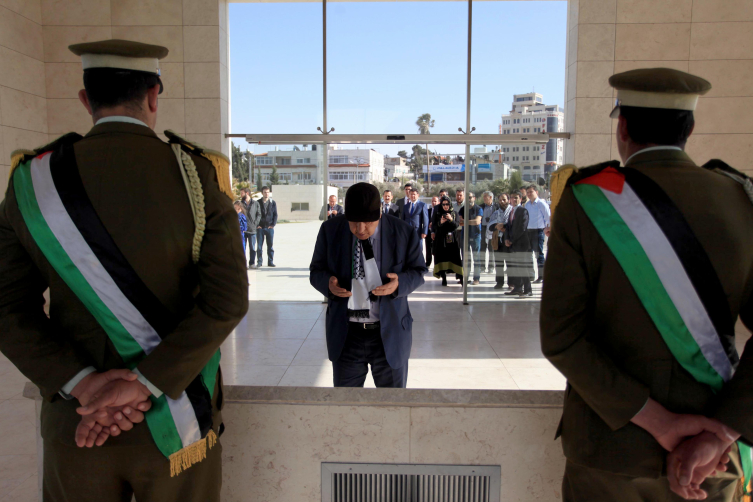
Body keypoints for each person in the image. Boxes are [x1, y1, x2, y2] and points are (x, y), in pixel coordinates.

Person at [0, 39, 248, 502]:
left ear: (84, 99)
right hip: (177, 424)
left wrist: (84, 384)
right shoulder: (198, 176)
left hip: (77, 422)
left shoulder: (31, 180)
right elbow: (227, 301)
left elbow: (6, 307)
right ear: (154, 95)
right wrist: (146, 384)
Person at [541, 68, 753, 502]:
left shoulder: (588, 200)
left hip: (609, 454)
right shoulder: (741, 200)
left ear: (622, 127)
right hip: (712, 458)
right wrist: (721, 433)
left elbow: (562, 338)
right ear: (689, 128)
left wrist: (663, 424)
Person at [309, 183, 427, 388]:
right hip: (347, 335)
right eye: (353, 222)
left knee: (392, 406)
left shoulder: (403, 232)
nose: (360, 229)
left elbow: (418, 271)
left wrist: (399, 284)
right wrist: (328, 284)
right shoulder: (330, 230)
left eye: (368, 223)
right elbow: (316, 271)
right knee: (348, 407)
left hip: (389, 334)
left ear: (380, 213)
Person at [503, 193, 532, 297]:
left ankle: (528, 290)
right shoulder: (511, 211)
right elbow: (508, 226)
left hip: (521, 244)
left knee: (523, 267)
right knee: (515, 267)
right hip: (512, 244)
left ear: (521, 199)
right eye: (511, 197)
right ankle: (517, 288)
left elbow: (522, 228)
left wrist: (512, 240)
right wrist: (506, 238)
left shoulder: (523, 211)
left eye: (516, 197)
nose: (513, 199)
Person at [430, 196, 462, 287]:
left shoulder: (454, 213)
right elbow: (434, 226)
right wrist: (440, 222)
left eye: (447, 204)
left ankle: (460, 277)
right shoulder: (437, 213)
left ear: (450, 204)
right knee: (441, 257)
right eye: (443, 204)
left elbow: (456, 225)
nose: (445, 206)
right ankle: (444, 278)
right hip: (440, 240)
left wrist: (451, 219)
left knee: (455, 258)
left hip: (452, 240)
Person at [524, 185, 550, 283]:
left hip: (538, 231)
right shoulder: (527, 205)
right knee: (528, 254)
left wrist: (547, 229)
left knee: (539, 254)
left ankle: (541, 276)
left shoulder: (541, 204)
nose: (529, 194)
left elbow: (548, 217)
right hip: (528, 232)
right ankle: (531, 275)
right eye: (528, 192)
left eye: (531, 192)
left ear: (536, 192)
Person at [458, 192, 482, 285]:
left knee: (476, 258)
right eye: (467, 198)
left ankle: (476, 278)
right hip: (465, 235)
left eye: (470, 197)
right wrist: (470, 222)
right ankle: (466, 278)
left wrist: (466, 221)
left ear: (474, 198)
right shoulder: (463, 209)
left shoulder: (478, 209)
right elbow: (460, 222)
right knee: (465, 258)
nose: (469, 199)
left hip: (476, 236)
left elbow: (477, 221)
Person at [489, 193, 512, 289]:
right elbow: (490, 226)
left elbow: (513, 225)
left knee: (510, 263)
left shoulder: (512, 211)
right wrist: (497, 226)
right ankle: (499, 282)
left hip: (509, 240)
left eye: (504, 199)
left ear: (508, 200)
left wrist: (504, 227)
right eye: (500, 200)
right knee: (499, 263)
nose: (502, 202)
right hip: (498, 240)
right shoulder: (495, 213)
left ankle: (511, 283)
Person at [401, 188, 429, 260]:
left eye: (414, 194)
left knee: (418, 249)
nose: (412, 196)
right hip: (407, 231)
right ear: (409, 195)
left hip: (417, 231)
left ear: (418, 195)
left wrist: (424, 232)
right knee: (407, 249)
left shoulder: (422, 205)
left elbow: (425, 219)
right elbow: (402, 219)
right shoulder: (405, 206)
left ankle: (419, 265)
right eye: (411, 194)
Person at [478, 191, 498, 274]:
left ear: (490, 197)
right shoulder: (481, 207)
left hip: (492, 229)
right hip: (483, 228)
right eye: (483, 196)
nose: (484, 198)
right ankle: (482, 267)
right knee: (482, 248)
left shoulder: (496, 206)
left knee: (491, 248)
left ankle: (491, 267)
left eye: (485, 196)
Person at [257, 186, 277, 267]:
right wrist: (257, 225)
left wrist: (273, 225)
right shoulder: (258, 202)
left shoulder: (273, 202)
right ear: (262, 193)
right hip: (260, 228)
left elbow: (275, 214)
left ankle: (270, 262)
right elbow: (256, 214)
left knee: (270, 246)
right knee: (259, 247)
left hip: (269, 228)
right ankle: (259, 262)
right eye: (265, 192)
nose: (267, 194)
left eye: (268, 192)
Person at [240, 188, 261, 269]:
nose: (241, 195)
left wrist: (255, 223)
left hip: (252, 229)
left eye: (242, 193)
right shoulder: (240, 203)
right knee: (243, 248)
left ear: (247, 193)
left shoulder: (255, 203)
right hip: (243, 230)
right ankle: (243, 264)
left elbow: (259, 214)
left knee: (252, 247)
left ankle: (252, 263)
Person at [425, 196, 440, 268]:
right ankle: (428, 263)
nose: (434, 203)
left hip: (436, 233)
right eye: (432, 201)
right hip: (428, 232)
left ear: (438, 202)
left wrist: (434, 225)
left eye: (435, 201)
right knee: (428, 248)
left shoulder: (439, 211)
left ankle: (436, 264)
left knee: (436, 249)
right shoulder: (428, 211)